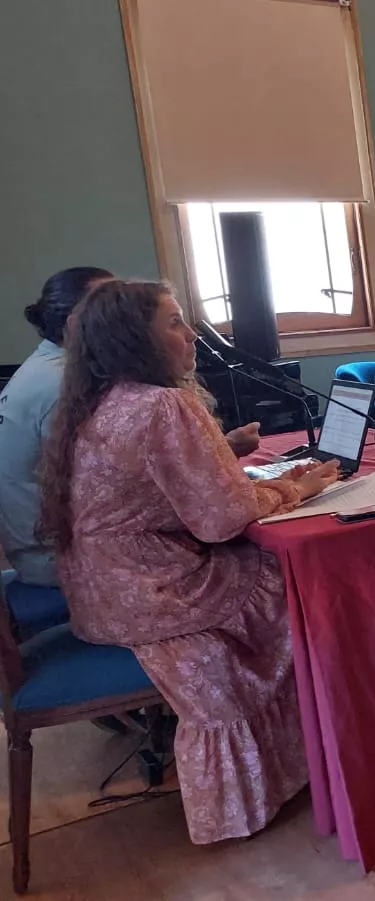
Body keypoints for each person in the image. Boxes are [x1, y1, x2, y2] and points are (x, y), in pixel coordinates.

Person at [39, 279, 341, 844]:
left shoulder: (97, 400)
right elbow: (222, 521)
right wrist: (302, 488)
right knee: (298, 581)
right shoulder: (164, 403)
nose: (191, 334)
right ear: (137, 339)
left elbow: (144, 487)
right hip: (156, 592)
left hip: (100, 593)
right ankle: (340, 740)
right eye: (175, 322)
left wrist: (223, 453)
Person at [0, 267, 115, 588]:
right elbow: (108, 482)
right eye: (110, 308)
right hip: (56, 559)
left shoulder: (46, 367)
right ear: (75, 324)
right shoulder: (64, 382)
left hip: (37, 549)